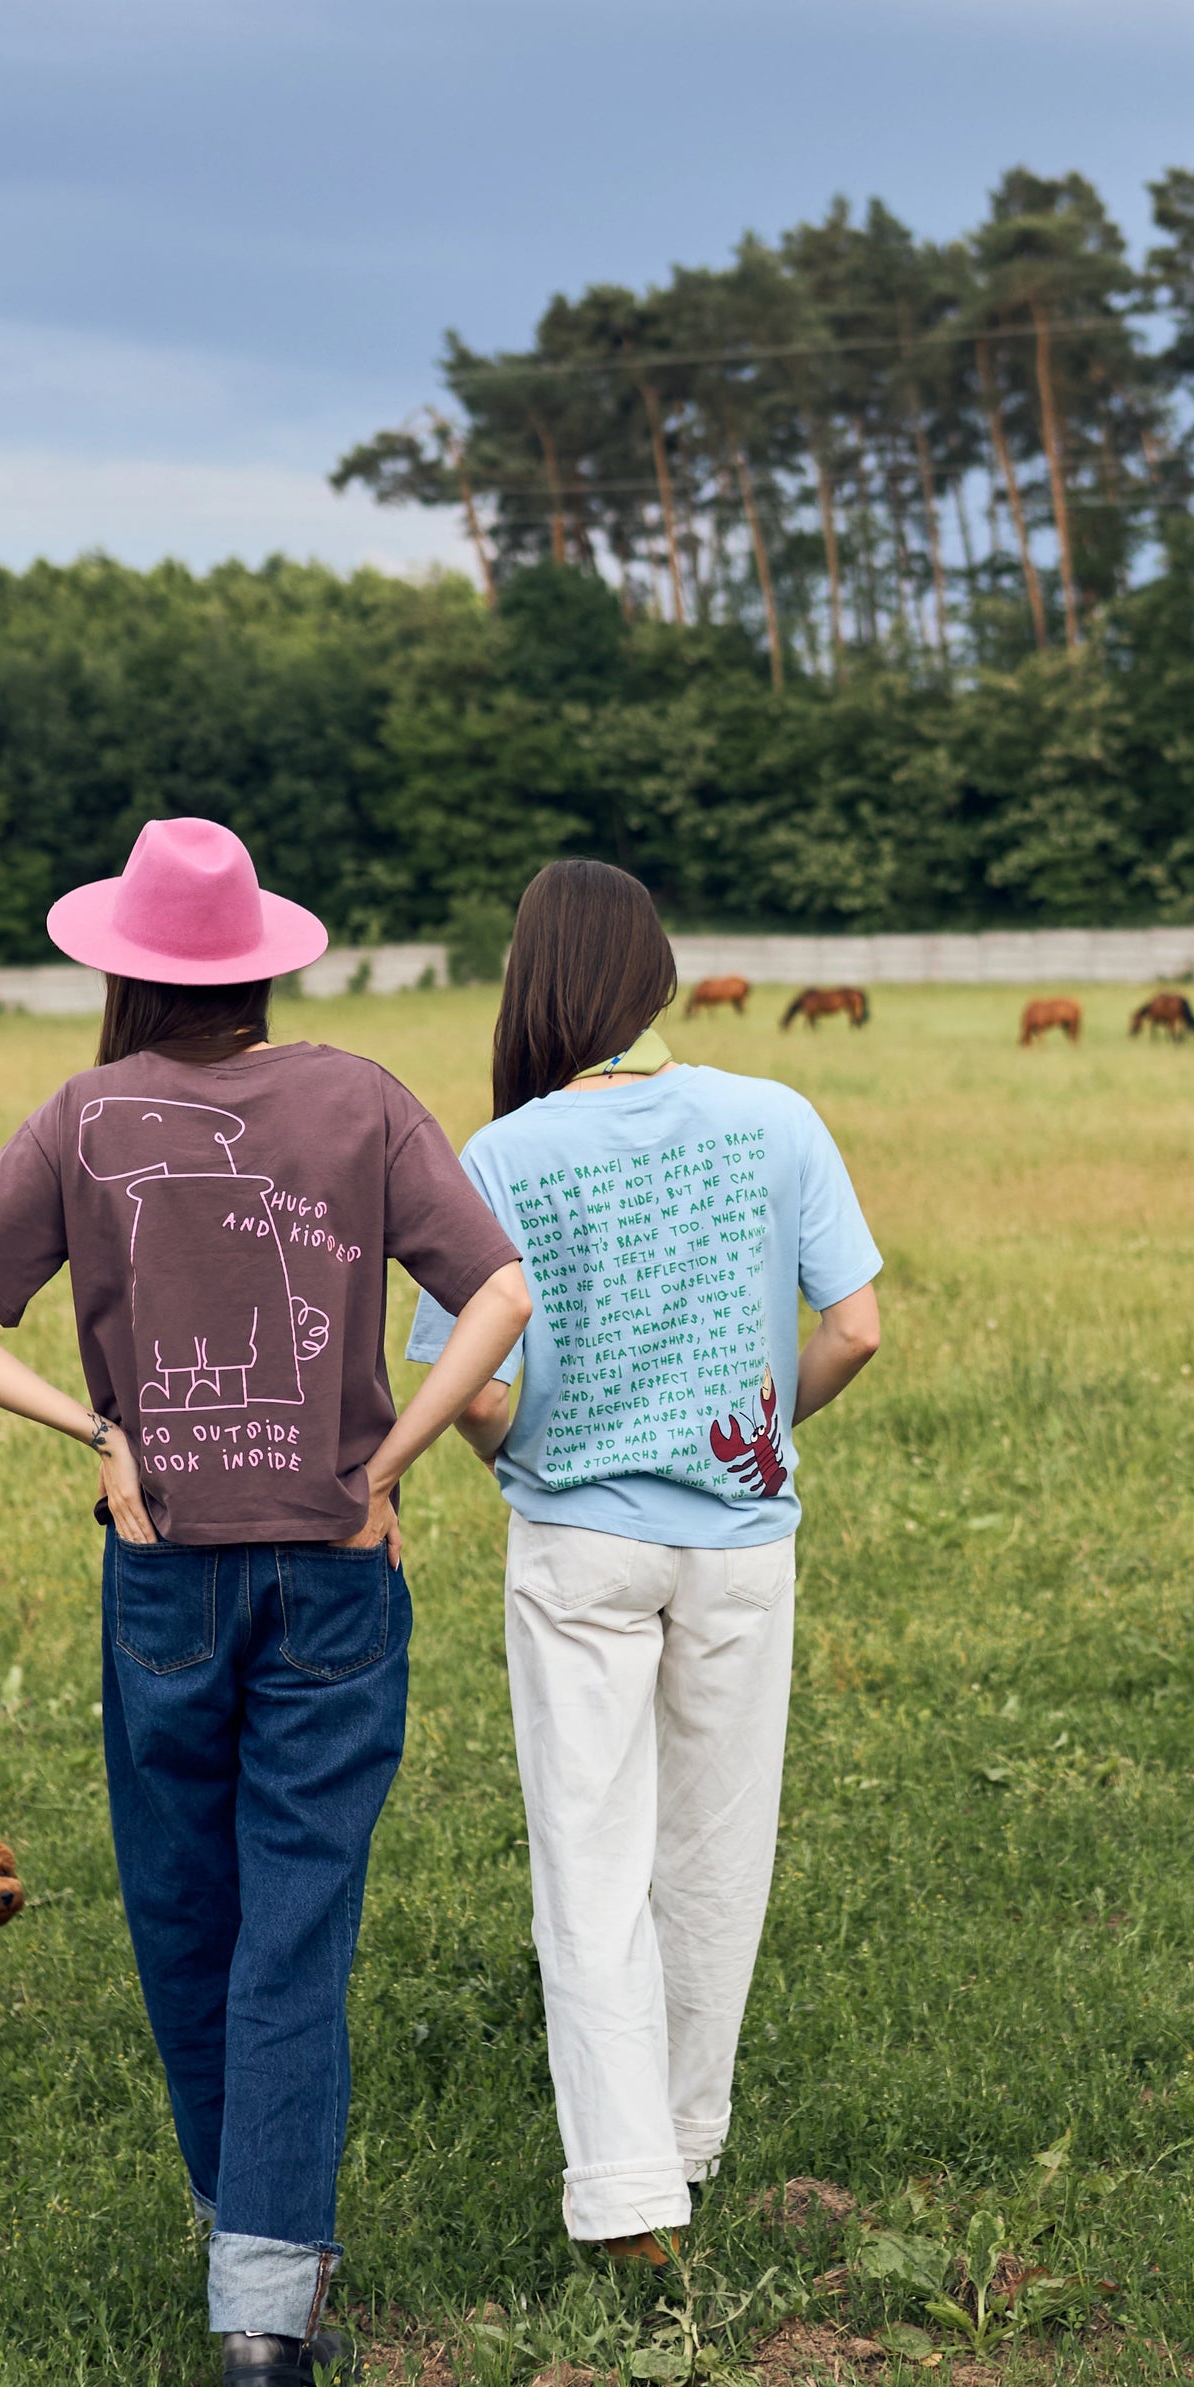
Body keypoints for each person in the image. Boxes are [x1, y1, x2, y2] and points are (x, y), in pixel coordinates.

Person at [0, 817, 530, 2387]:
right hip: (333, 1568)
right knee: (295, 1921)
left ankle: (243, 2234)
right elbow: (505, 1290)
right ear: (263, 962)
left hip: (165, 1564)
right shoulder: (365, 1098)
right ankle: (267, 2298)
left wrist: (95, 1436)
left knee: (186, 1908)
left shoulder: (83, 1116)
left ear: (120, 963)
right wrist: (386, 1457)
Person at [406, 860, 881, 2262]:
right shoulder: (777, 1117)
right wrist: (749, 1434)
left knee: (591, 1858)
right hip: (741, 1547)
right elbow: (855, 1328)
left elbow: (471, 1390)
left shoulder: (502, 1155)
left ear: (536, 984)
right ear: (662, 977)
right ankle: (690, 2137)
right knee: (717, 1851)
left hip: (581, 1546)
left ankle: (626, 2197)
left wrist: (528, 1460)